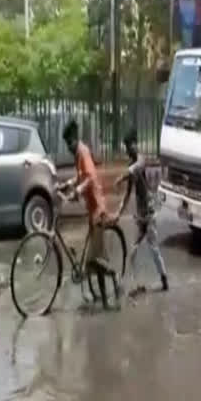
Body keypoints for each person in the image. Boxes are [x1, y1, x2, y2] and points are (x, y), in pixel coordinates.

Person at [60, 119, 120, 309]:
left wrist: (77, 191)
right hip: (92, 213)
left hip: (98, 212)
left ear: (74, 139)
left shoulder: (83, 152)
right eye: (66, 143)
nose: (68, 147)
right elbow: (80, 177)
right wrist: (67, 185)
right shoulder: (79, 154)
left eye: (69, 142)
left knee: (93, 261)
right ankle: (103, 302)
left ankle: (115, 276)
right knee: (92, 262)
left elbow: (91, 178)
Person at [110, 129, 169, 295]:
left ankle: (164, 279)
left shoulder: (141, 161)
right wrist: (118, 213)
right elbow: (128, 193)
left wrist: (120, 178)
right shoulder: (130, 165)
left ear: (135, 145)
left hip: (149, 214)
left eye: (129, 145)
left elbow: (134, 170)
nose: (128, 149)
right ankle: (137, 284)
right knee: (133, 251)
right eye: (127, 146)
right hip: (141, 215)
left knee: (153, 248)